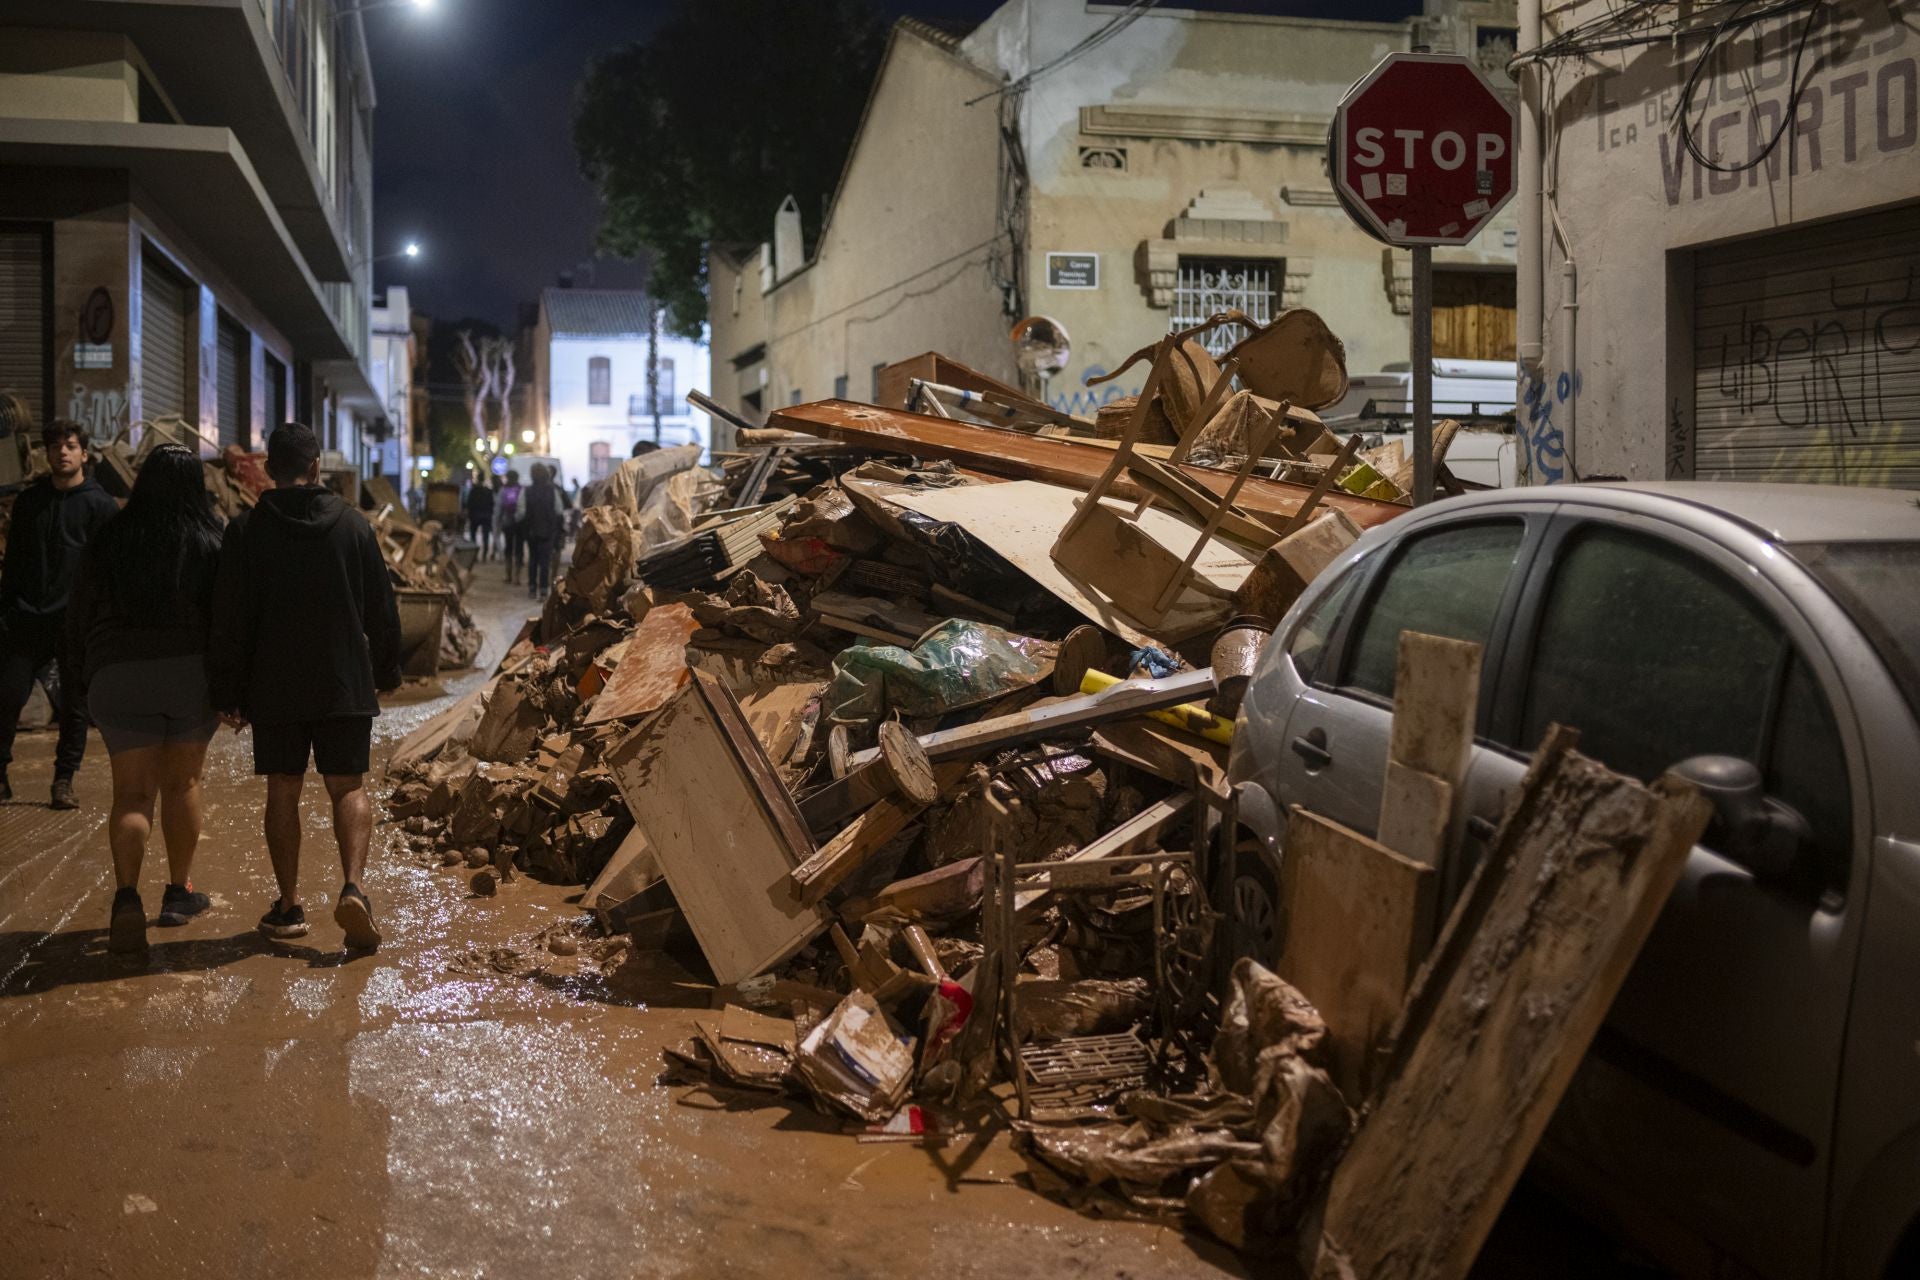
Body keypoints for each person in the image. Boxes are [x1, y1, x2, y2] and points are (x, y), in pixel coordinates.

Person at [208, 423, 401, 950]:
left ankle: (289, 905)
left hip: (275, 685)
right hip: (343, 680)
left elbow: (230, 617)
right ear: (316, 467)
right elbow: (381, 609)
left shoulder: (246, 531)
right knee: (349, 788)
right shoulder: (353, 526)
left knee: (283, 790)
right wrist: (385, 673)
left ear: (269, 470)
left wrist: (227, 690)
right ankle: (354, 888)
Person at [66, 445, 220, 952]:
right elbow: (228, 619)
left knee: (131, 795)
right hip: (188, 675)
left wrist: (86, 678)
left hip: (118, 673)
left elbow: (80, 613)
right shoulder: (209, 540)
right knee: (183, 784)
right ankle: (178, 893)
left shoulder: (110, 536)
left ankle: (126, 898)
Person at [0, 418, 118, 809]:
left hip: (73, 624)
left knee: (74, 707)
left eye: (69, 446)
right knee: (7, 696)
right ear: (47, 454)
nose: (62, 452)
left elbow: (107, 570)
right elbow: (13, 561)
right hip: (26, 620)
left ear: (84, 453)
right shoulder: (31, 502)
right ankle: (0, 775)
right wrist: (8, 609)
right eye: (55, 447)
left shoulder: (100, 506)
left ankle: (63, 781)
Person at [521, 462, 564, 600]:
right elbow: (559, 510)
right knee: (545, 561)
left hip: (531, 531)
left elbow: (520, 512)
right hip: (548, 531)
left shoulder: (527, 491)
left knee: (533, 559)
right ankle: (544, 590)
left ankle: (532, 588)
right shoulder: (553, 491)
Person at [498, 468, 523, 586]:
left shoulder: (503, 490)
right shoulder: (521, 490)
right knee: (519, 549)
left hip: (507, 522)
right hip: (519, 523)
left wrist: (499, 522)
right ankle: (517, 577)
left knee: (508, 548)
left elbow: (500, 507)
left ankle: (508, 574)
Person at [464, 474, 495, 561]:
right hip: (486, 516)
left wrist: (469, 514)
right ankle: (484, 555)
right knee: (486, 536)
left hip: (475, 515)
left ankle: (474, 555)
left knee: (473, 536)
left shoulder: (473, 490)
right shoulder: (488, 491)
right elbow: (492, 504)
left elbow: (469, 503)